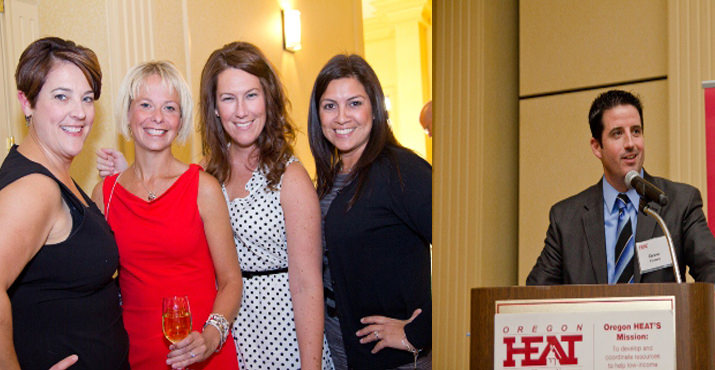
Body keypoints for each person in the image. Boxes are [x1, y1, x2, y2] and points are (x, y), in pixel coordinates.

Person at [97, 42, 333, 369]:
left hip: (279, 329)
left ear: (268, 100)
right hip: (231, 332)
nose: (240, 110)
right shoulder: (208, 170)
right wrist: (130, 172)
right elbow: (160, 207)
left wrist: (311, 366)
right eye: (228, 98)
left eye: (251, 95)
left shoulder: (289, 177)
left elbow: (307, 285)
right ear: (215, 108)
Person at [91, 61, 242, 370]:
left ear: (180, 119)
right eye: (145, 105)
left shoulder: (203, 187)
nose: (157, 117)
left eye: (169, 108)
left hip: (203, 351)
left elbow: (231, 280)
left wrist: (212, 337)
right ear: (128, 114)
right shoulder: (104, 195)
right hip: (134, 355)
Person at [0, 37, 129, 370]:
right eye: (61, 97)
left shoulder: (54, 174)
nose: (80, 112)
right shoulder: (35, 188)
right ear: (26, 102)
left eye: (87, 99)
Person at [308, 54, 432, 370]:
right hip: (338, 353)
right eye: (329, 106)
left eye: (354, 103)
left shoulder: (404, 171)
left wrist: (417, 333)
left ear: (374, 109)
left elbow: (466, 253)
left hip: (392, 361)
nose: (341, 117)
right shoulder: (327, 180)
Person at [527, 89, 715, 285]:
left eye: (636, 131)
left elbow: (711, 270)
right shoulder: (566, 219)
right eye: (617, 134)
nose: (630, 143)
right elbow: (536, 295)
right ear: (597, 147)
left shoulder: (678, 203)